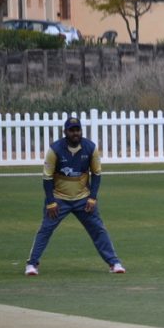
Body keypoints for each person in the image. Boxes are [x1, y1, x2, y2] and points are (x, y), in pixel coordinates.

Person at [25, 117, 125, 275]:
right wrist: (51, 201)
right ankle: (31, 265)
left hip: (83, 199)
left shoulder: (90, 148)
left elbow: (96, 174)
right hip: (59, 199)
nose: (75, 133)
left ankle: (114, 263)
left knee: (98, 230)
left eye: (77, 129)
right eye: (71, 130)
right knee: (45, 230)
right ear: (65, 132)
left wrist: (92, 197)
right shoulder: (55, 149)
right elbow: (47, 177)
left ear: (81, 131)